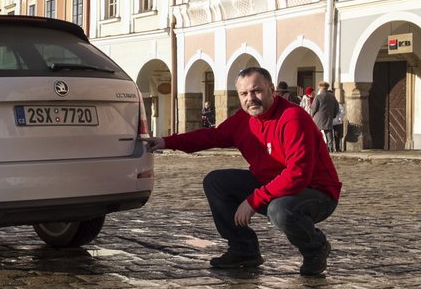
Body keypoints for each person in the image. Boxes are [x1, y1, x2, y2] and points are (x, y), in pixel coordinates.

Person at [144, 67, 341, 276]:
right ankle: (243, 249)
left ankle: (315, 248)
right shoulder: (243, 120)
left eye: (257, 91)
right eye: (244, 94)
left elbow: (298, 175)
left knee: (280, 210)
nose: (251, 98)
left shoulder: (292, 118)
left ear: (272, 89)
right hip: (271, 186)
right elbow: (210, 136)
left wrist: (253, 201)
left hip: (316, 193)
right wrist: (166, 141)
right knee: (216, 182)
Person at [310, 82, 340, 152]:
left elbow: (314, 108)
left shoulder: (318, 97)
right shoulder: (332, 96)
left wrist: (311, 116)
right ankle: (330, 148)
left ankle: (317, 147)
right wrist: (333, 115)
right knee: (328, 132)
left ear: (320, 87)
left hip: (318, 117)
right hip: (328, 116)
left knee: (317, 132)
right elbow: (337, 107)